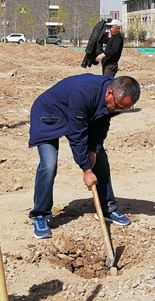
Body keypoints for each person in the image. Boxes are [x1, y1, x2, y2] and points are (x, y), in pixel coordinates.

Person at [28, 74, 140, 239]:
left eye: (123, 109)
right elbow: (77, 135)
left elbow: (101, 126)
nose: (118, 110)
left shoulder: (114, 99)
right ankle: (40, 215)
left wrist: (93, 150)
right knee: (49, 163)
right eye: (118, 107)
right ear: (109, 93)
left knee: (100, 158)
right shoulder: (83, 93)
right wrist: (86, 169)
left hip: (77, 113)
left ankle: (107, 209)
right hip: (49, 114)